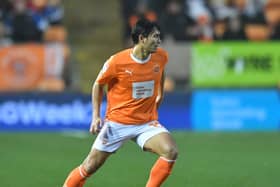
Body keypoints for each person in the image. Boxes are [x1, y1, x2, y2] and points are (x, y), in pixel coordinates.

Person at [62, 18, 178, 187]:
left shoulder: (160, 57)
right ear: (142, 38)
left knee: (170, 150)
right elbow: (98, 85)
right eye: (155, 36)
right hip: (118, 123)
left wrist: (160, 94)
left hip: (146, 123)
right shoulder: (117, 62)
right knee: (89, 166)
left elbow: (160, 72)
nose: (159, 41)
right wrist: (96, 116)